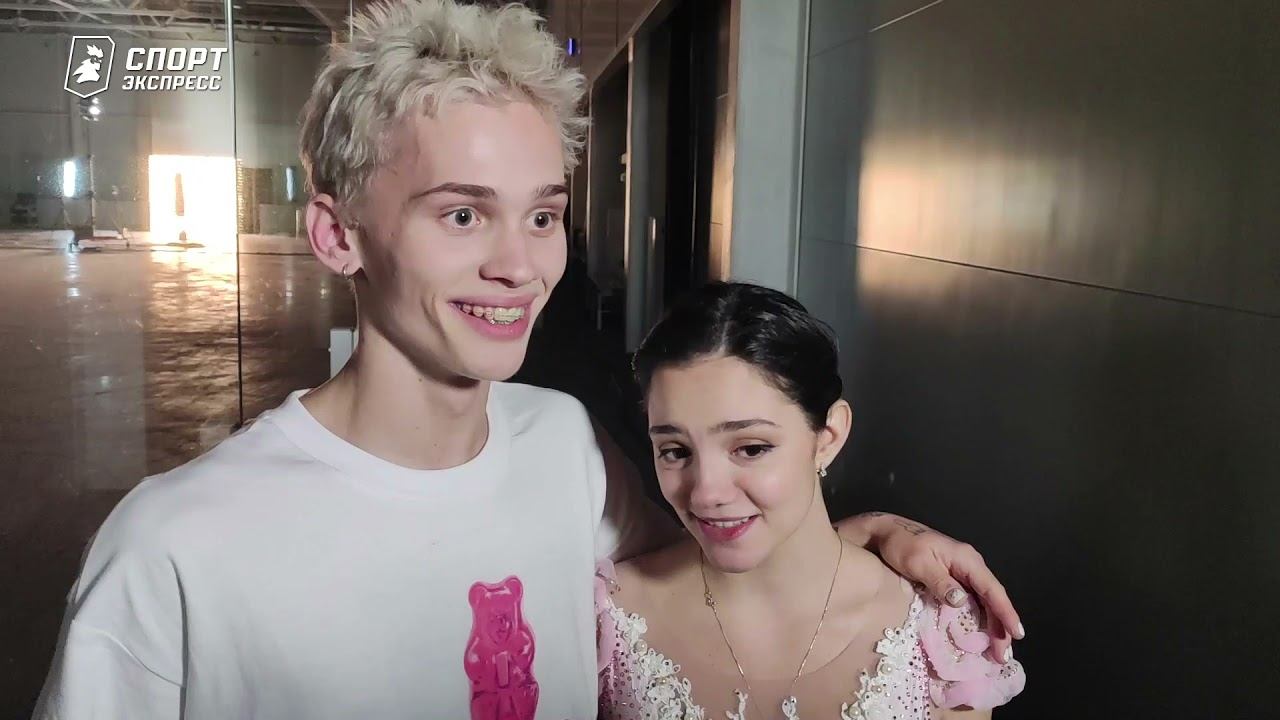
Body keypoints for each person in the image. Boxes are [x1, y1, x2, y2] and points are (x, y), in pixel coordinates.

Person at [33, 2, 1021, 718]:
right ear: (336, 236)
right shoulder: (175, 546)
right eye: (462, 215)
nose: (518, 266)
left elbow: (715, 564)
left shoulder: (562, 444)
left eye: (542, 215)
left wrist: (873, 536)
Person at [597, 283, 1027, 719]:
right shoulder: (607, 621)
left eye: (751, 448)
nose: (706, 492)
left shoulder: (938, 630)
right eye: (675, 451)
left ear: (829, 436)